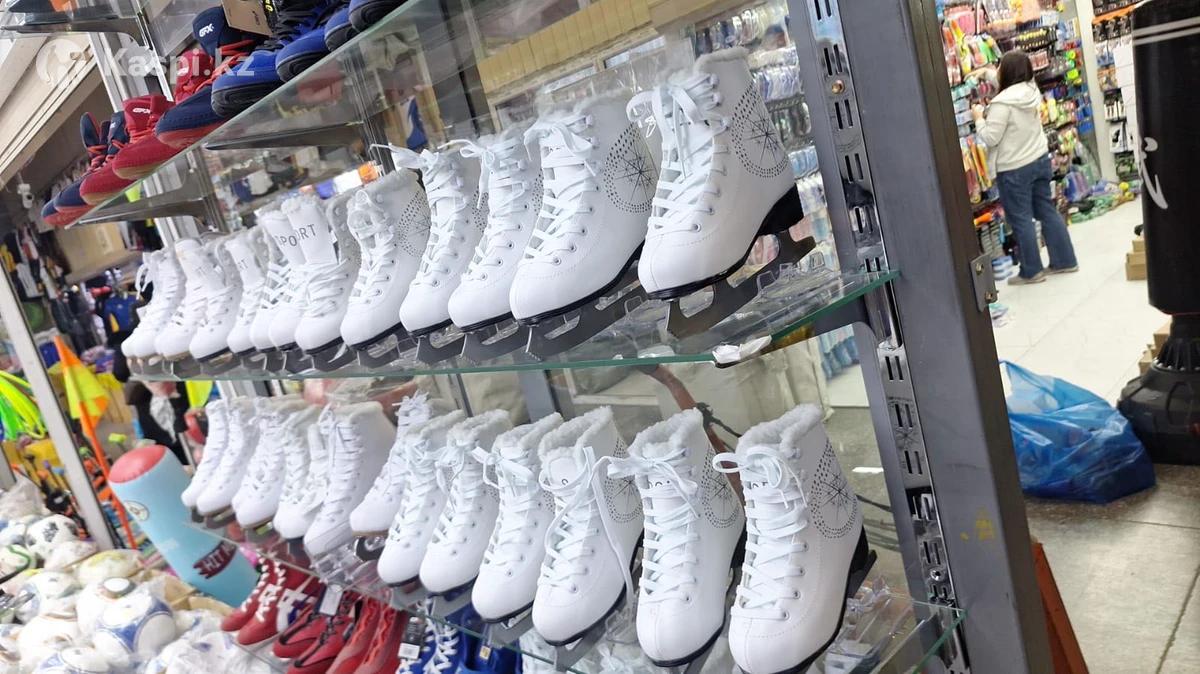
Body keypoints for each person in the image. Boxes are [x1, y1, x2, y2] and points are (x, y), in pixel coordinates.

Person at [974, 50, 1078, 284]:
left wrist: (979, 118)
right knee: (1046, 210)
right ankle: (1065, 261)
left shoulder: (1001, 104)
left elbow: (990, 137)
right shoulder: (1031, 91)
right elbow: (1008, 84)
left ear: (1006, 72)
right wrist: (986, 73)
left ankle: (1031, 271)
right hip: (1039, 160)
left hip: (1014, 168)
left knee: (1020, 219)